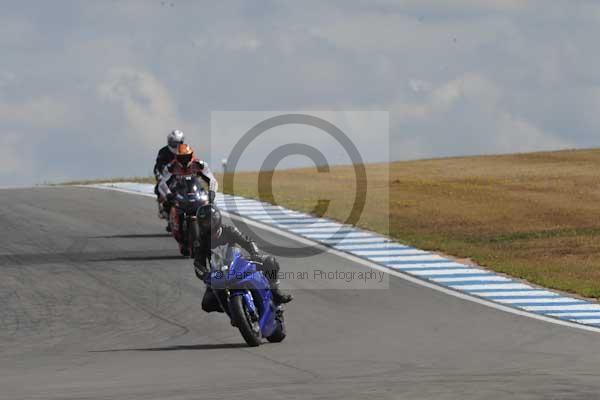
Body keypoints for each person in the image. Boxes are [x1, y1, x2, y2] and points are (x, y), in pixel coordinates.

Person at [195, 204, 293, 311]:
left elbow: (248, 241)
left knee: (270, 261)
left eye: (209, 222)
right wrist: (205, 275)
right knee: (206, 304)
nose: (207, 225)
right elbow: (199, 264)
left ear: (217, 219)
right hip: (218, 273)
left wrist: (254, 253)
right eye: (204, 223)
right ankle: (232, 311)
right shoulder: (200, 242)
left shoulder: (230, 230)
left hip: (238, 264)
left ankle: (276, 293)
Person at [158, 143, 218, 254]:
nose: (184, 160)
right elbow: (161, 184)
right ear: (177, 157)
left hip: (196, 193)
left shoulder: (200, 165)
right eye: (182, 157)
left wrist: (212, 193)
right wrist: (168, 195)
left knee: (213, 208)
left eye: (186, 157)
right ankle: (176, 231)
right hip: (179, 193)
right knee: (168, 206)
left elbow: (212, 180)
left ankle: (214, 235)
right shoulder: (171, 167)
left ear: (191, 155)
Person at [153, 130, 185, 230]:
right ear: (169, 142)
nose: (176, 146)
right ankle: (165, 209)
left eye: (178, 143)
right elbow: (158, 166)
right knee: (160, 188)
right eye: (173, 143)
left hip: (183, 177)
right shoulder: (163, 152)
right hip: (169, 178)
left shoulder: (186, 150)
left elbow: (193, 161)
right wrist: (160, 175)